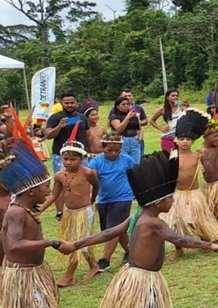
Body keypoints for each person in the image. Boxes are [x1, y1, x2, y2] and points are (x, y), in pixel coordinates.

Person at [68, 152, 218, 308]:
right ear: (158, 203)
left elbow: (108, 233)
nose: (173, 201)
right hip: (142, 279)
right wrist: (212, 246)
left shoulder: (136, 217)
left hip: (136, 276)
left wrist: (75, 245)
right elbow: (179, 239)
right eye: (169, 198)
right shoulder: (154, 223)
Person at [0, 114, 71, 307]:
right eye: (45, 187)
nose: (49, 191)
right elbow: (13, 245)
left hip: (33, 271)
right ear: (31, 191)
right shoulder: (16, 213)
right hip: (23, 276)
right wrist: (51, 242)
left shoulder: (25, 208)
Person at [40, 129, 100, 287]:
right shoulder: (59, 175)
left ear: (81, 158)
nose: (68, 162)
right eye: (65, 159)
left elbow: (96, 186)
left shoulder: (87, 173)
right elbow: (53, 195)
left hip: (84, 213)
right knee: (81, 241)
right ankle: (94, 266)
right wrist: (39, 210)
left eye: (73, 159)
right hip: (69, 213)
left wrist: (93, 200)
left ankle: (68, 276)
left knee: (76, 242)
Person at [164, 110, 218, 258]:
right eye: (181, 138)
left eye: (188, 139)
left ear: (193, 141)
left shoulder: (198, 156)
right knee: (176, 223)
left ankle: (205, 243)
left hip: (195, 194)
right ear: (176, 140)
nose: (185, 141)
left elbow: (213, 168)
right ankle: (178, 249)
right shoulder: (172, 156)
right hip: (178, 194)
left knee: (200, 220)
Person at [88, 133, 137, 273]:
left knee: (113, 228)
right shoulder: (96, 162)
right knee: (112, 230)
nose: (113, 153)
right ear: (103, 148)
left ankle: (105, 260)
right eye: (109, 150)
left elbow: (135, 175)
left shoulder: (127, 160)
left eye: (117, 150)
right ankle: (130, 250)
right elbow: (91, 178)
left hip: (123, 198)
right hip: (104, 199)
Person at [44, 92, 85, 177]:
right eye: (66, 103)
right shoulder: (54, 117)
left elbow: (88, 135)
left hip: (81, 156)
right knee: (62, 181)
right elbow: (48, 136)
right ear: (61, 103)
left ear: (76, 102)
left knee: (82, 180)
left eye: (72, 103)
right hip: (61, 156)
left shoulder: (82, 117)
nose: (69, 105)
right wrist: (59, 127)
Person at [108, 96, 143, 165]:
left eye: (128, 104)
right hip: (123, 141)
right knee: (123, 163)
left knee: (135, 164)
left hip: (134, 141)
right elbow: (119, 129)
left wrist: (140, 137)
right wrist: (127, 118)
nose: (126, 106)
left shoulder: (133, 116)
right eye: (123, 104)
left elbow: (139, 127)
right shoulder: (114, 116)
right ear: (118, 106)